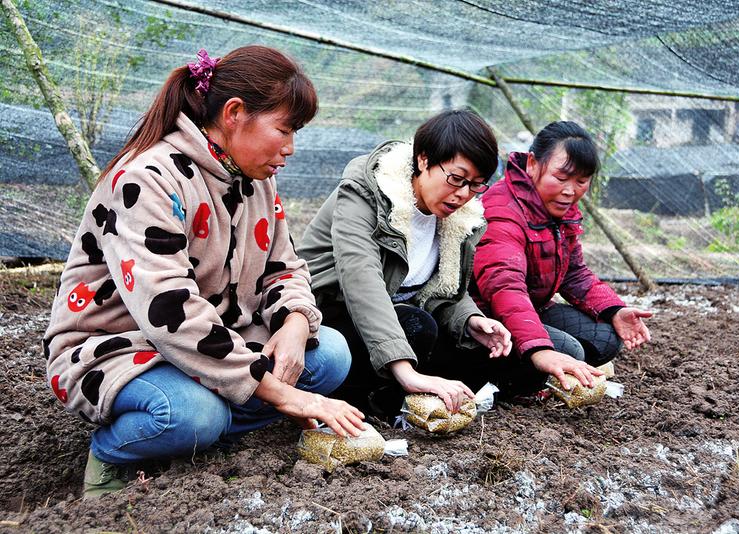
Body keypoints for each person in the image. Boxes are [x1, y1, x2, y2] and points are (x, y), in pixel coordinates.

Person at [43, 46, 364, 499]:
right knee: (193, 415)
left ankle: (208, 434)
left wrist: (294, 322)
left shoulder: (255, 179)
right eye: (285, 130)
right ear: (235, 113)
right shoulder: (147, 179)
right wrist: (286, 395)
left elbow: (284, 266)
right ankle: (115, 452)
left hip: (217, 341)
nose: (290, 149)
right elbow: (170, 313)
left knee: (329, 353)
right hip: (122, 347)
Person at [297, 110, 512, 417]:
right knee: (418, 326)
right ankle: (364, 403)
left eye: (476, 184)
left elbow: (440, 285)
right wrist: (406, 371)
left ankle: (398, 402)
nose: (463, 194)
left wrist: (470, 319)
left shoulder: (456, 218)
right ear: (423, 159)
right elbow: (362, 280)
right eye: (456, 179)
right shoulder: (367, 191)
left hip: (399, 322)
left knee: (482, 350)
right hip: (332, 316)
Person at [472, 121, 652, 396]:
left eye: (581, 181)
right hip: (487, 318)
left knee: (605, 338)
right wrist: (541, 349)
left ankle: (546, 374)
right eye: (561, 177)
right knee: (568, 350)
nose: (571, 190)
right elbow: (504, 286)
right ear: (532, 164)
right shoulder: (502, 208)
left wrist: (614, 310)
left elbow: (574, 273)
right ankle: (506, 382)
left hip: (533, 309)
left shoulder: (559, 210)